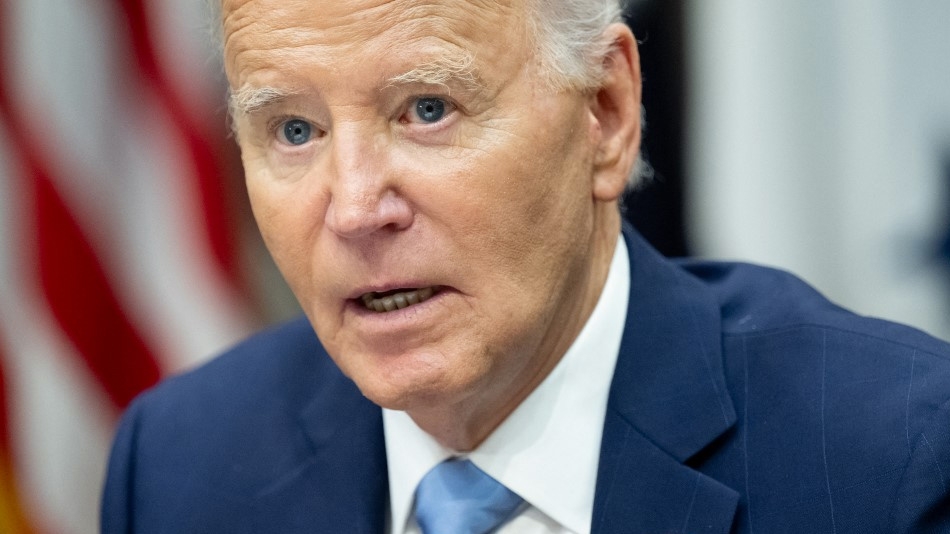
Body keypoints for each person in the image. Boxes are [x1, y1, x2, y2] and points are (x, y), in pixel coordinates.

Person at [101, 0, 950, 532]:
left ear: (607, 115)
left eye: (426, 110)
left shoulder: (892, 463)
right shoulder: (182, 464)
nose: (356, 208)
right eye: (294, 130)